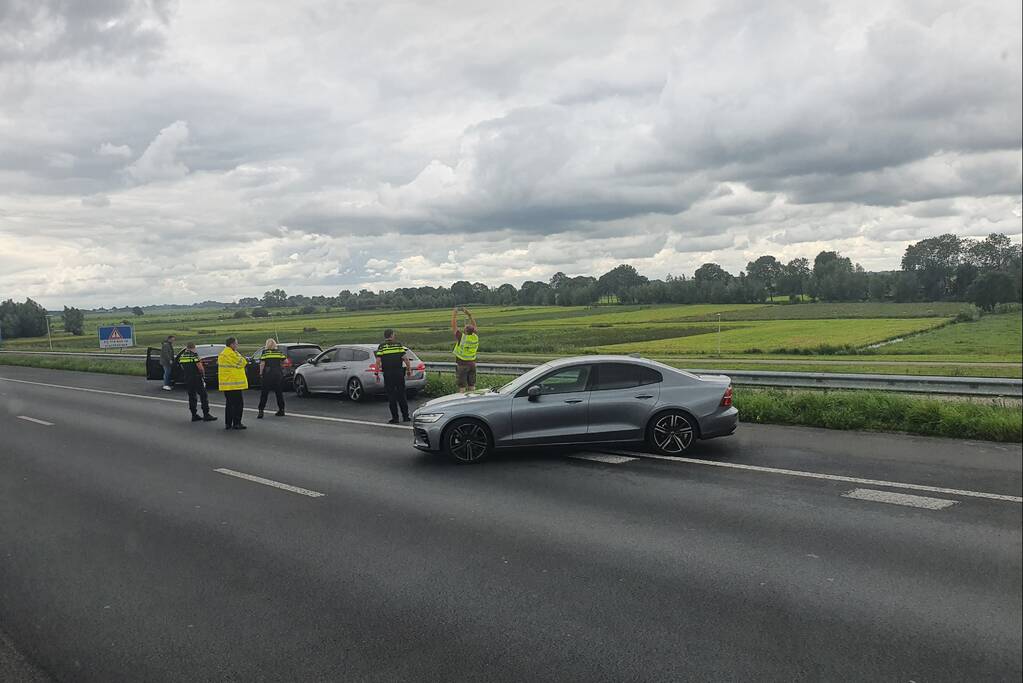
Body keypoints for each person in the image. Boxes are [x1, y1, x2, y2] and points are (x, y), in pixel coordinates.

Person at [375, 328, 412, 424]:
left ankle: (395, 418)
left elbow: (378, 361)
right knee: (402, 394)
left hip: (388, 374)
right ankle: (406, 416)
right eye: (393, 334)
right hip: (399, 373)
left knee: (391, 396)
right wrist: (408, 370)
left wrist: (377, 373)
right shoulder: (398, 345)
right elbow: (406, 359)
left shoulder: (382, 347)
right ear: (391, 335)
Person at [180, 342, 217, 423]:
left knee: (192, 396)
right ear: (193, 347)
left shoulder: (182, 356)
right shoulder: (194, 355)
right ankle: (206, 414)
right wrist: (203, 375)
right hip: (196, 377)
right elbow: (200, 367)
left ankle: (194, 415)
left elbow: (182, 366)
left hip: (188, 378)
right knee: (203, 395)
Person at [218, 337, 249, 430]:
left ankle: (228, 423)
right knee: (238, 404)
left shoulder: (223, 353)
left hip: (226, 384)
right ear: (231, 344)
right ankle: (237, 423)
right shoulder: (231, 354)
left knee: (229, 404)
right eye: (236, 343)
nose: (237, 345)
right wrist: (238, 354)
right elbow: (243, 362)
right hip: (234, 383)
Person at [451, 306, 479, 392]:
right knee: (472, 385)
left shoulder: (462, 338)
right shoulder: (475, 337)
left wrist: (454, 314)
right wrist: (468, 314)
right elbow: (474, 326)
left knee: (462, 386)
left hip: (462, 365)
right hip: (472, 364)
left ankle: (462, 401)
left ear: (466, 331)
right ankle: (472, 400)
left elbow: (454, 326)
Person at [257, 338, 286, 419]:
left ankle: (261, 411)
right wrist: (281, 367)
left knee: (264, 393)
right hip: (278, 374)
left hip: (268, 374)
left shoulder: (265, 352)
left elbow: (262, 363)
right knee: (279, 393)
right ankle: (281, 409)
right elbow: (285, 361)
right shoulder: (279, 352)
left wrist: (260, 373)